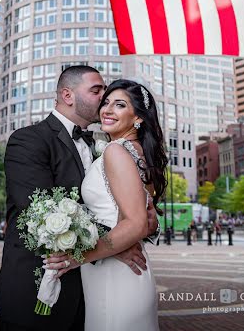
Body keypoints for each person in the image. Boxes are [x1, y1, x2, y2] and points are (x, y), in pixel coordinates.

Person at [0, 67, 157, 331]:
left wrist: (143, 222)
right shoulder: (28, 140)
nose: (103, 98)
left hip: (87, 293)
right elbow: (39, 212)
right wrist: (118, 240)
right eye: (97, 91)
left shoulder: (105, 146)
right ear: (68, 95)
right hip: (36, 295)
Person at [45, 79, 168, 331]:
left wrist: (75, 258)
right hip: (125, 271)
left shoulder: (116, 151)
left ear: (138, 118)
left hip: (116, 277)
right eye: (106, 102)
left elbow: (136, 225)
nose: (107, 110)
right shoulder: (137, 152)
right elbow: (144, 219)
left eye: (120, 105)